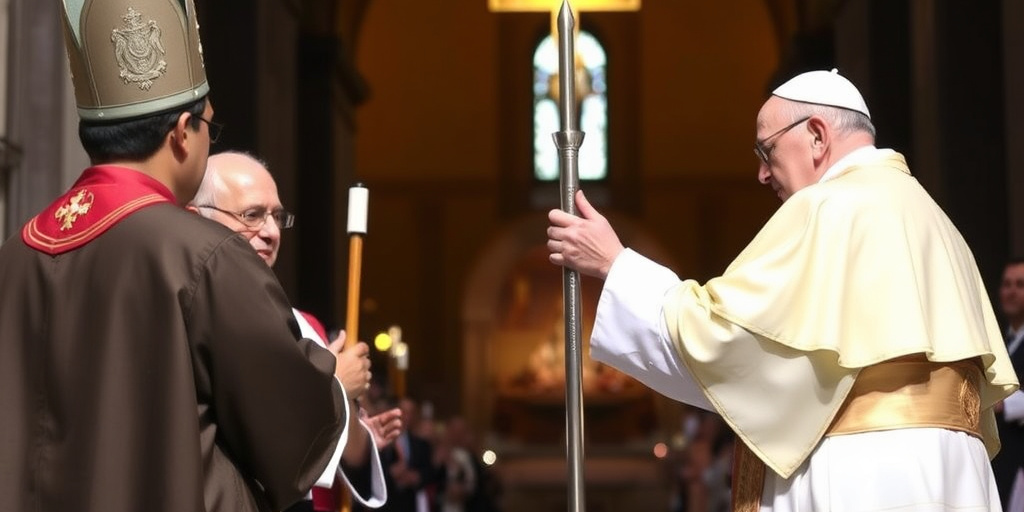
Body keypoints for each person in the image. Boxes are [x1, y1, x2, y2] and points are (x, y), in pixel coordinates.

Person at [546, 68, 1020, 510]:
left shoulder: (827, 207)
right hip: (956, 472)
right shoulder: (936, 219)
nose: (762, 173)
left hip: (863, 470)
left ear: (816, 135)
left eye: (766, 150)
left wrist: (616, 264)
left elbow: (721, 339)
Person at [0, 1, 369, 511]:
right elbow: (291, 426)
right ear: (181, 133)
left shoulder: (16, 254)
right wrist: (332, 382)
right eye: (208, 128)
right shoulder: (204, 253)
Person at [189, 151, 404, 511]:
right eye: (252, 215)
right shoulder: (190, 320)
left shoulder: (306, 326)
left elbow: (330, 450)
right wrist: (332, 384)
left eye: (276, 216)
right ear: (197, 221)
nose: (271, 232)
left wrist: (352, 426)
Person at [994, 258, 1024, 510]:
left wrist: (1003, 403)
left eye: (1020, 284)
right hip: (1003, 462)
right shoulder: (999, 344)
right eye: (1006, 284)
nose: (1011, 291)